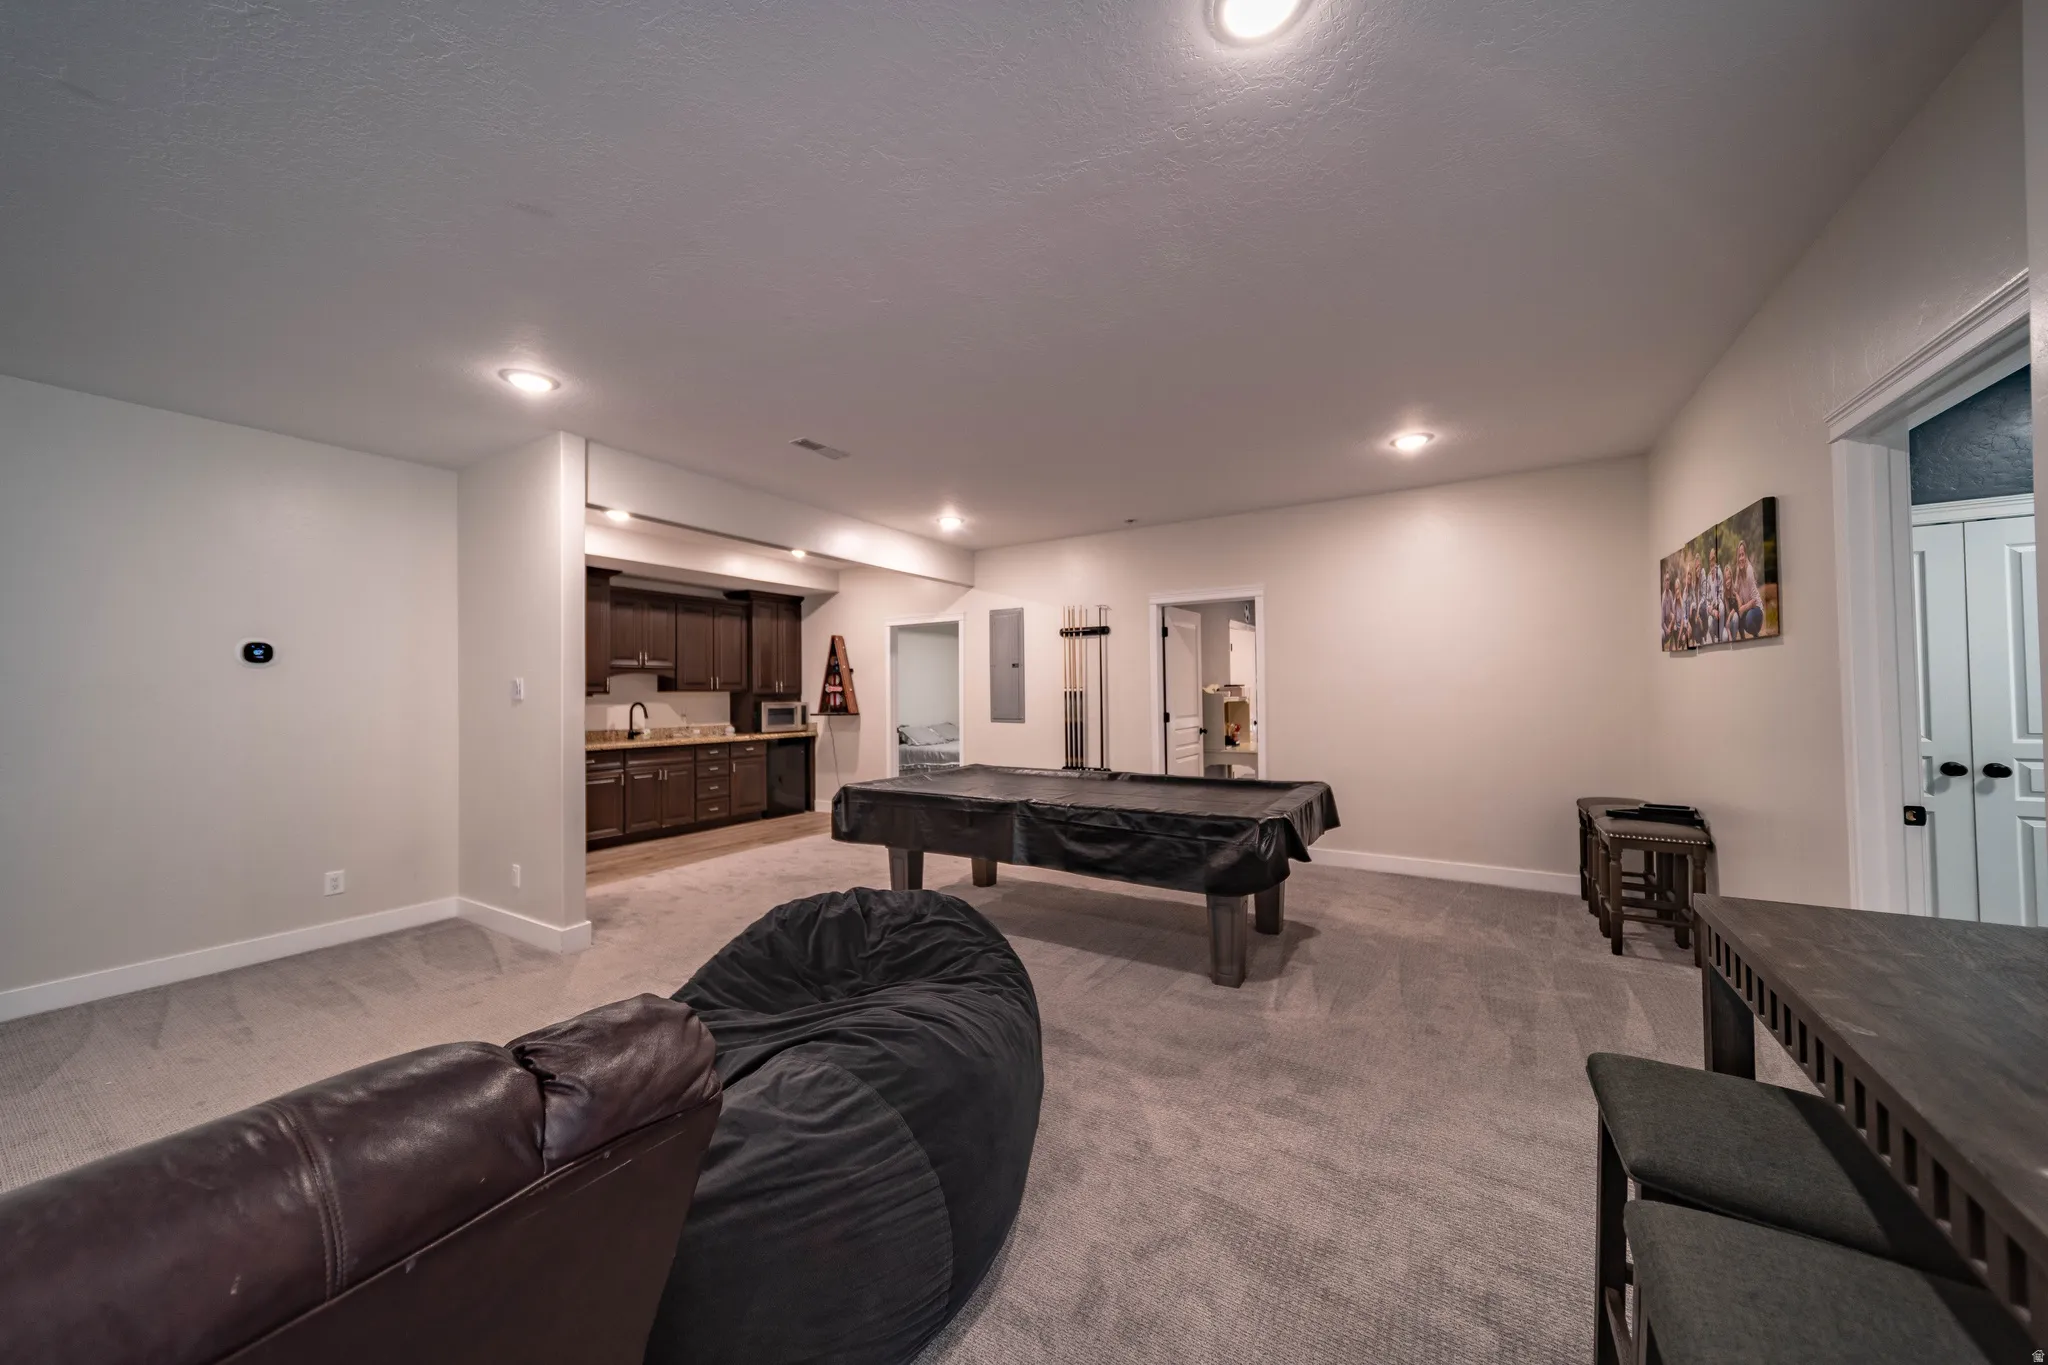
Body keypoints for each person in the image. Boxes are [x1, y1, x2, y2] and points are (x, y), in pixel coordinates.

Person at [1731, 541, 1764, 639]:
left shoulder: (1749, 570)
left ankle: (1756, 637)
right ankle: (1743, 640)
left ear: (1746, 555)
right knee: (1738, 617)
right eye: (1739, 555)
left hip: (1757, 610)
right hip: (1748, 609)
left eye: (1743, 555)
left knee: (1748, 618)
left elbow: (1754, 601)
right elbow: (1736, 593)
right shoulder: (1738, 572)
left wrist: (1743, 608)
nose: (1741, 558)